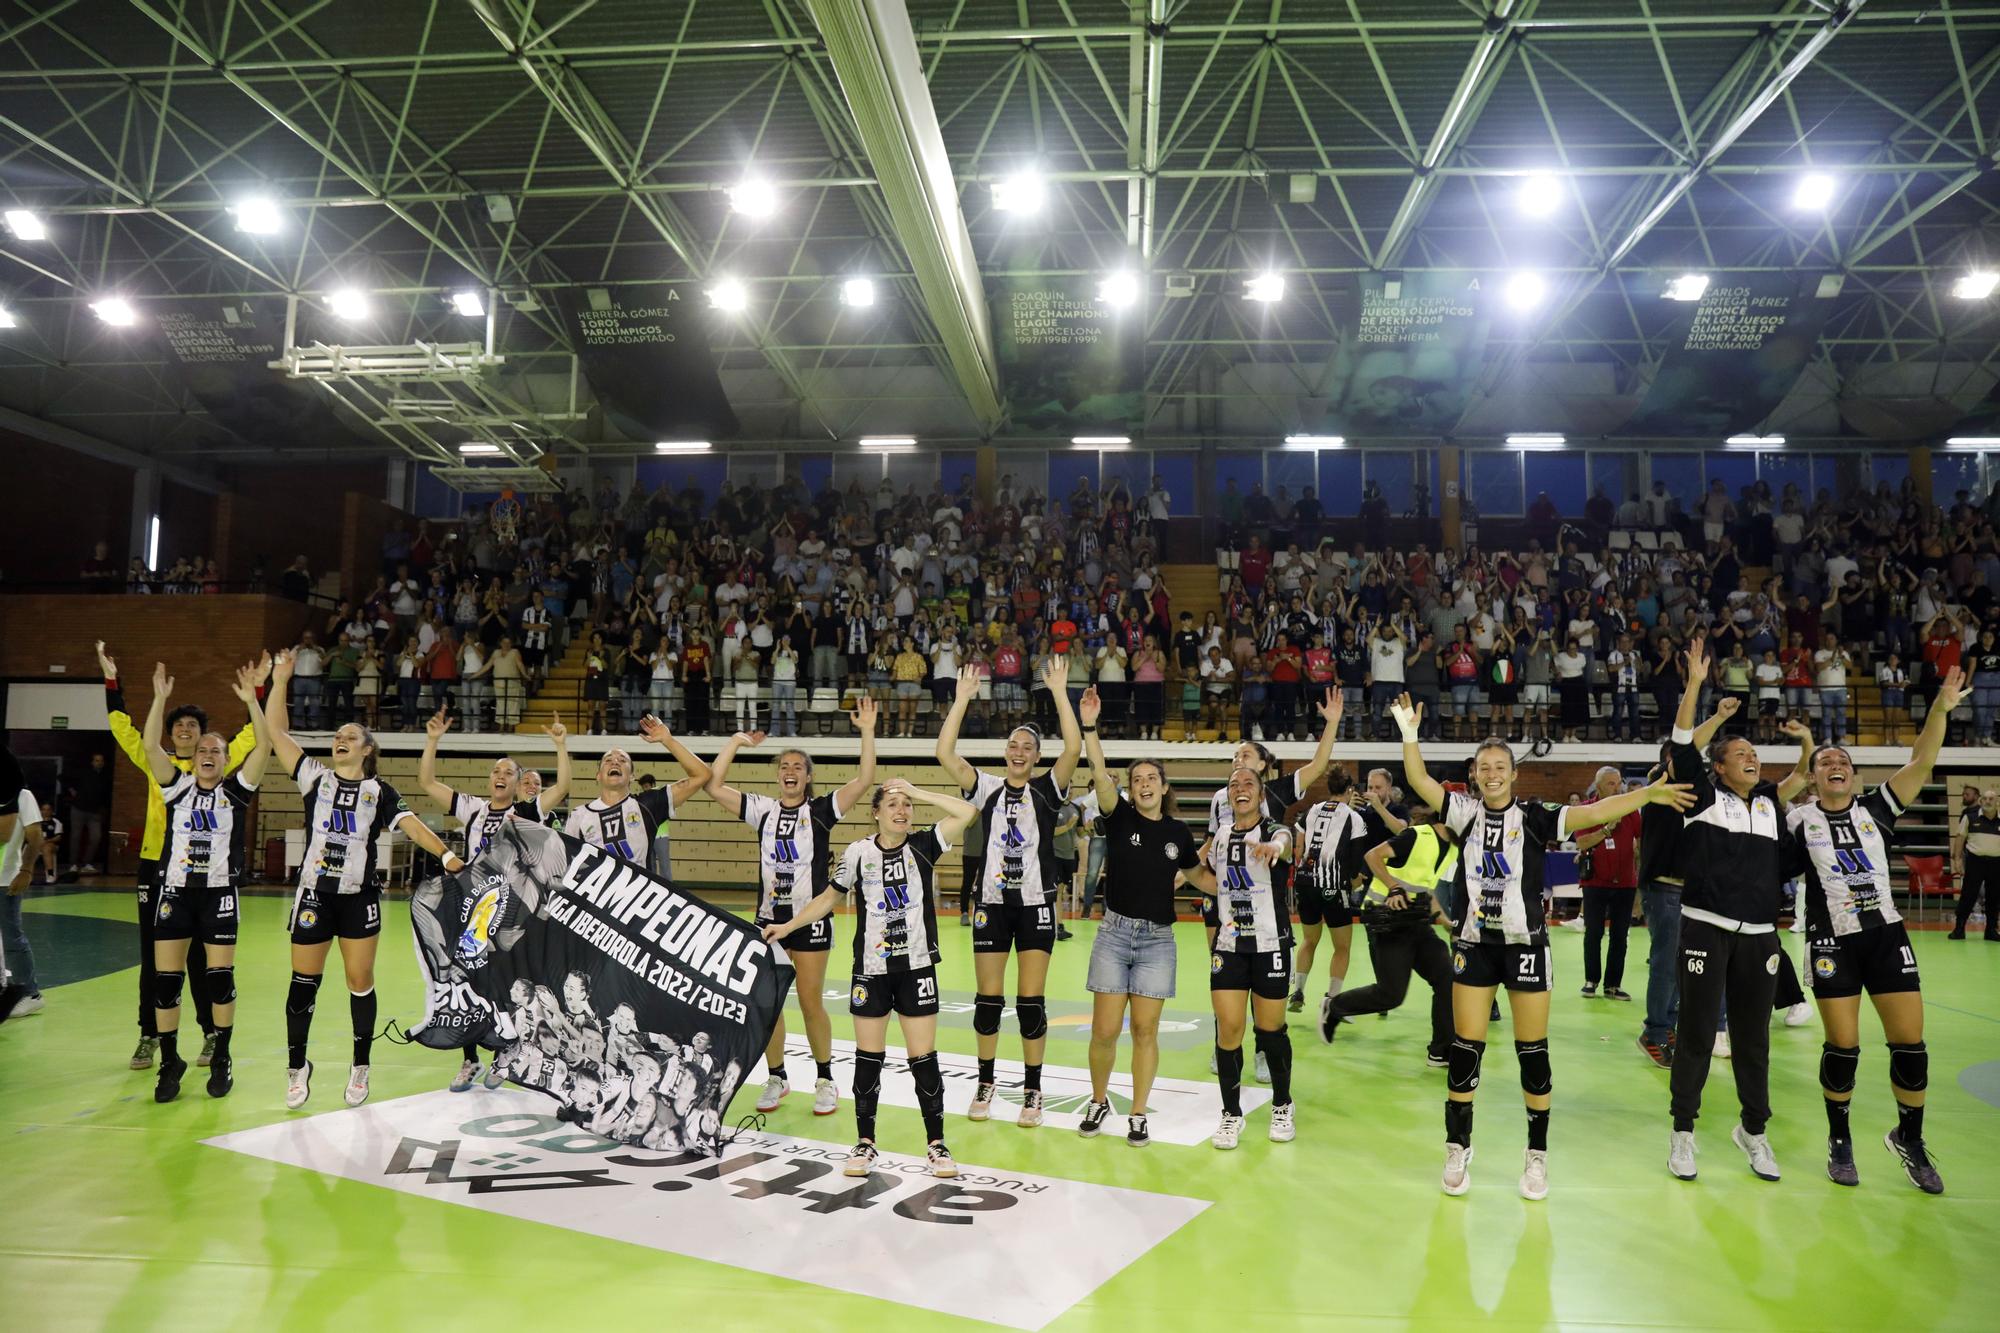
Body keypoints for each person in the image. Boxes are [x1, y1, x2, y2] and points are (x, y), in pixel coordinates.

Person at [1395, 692, 1693, 1200]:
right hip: (1475, 944)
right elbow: (1420, 781)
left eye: (1500, 766)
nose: (1491, 774)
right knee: (1466, 1048)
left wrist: (1646, 795)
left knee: (1532, 1052)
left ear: (1514, 775)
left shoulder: (1535, 816)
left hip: (1526, 946)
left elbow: (1595, 810)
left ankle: (1536, 1156)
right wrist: (1409, 735)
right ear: (1475, 774)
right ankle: (1457, 1145)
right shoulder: (1464, 813)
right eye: (1483, 767)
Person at [1780, 666, 1963, 1193]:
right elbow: (1765, 862)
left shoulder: (1877, 808)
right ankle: (1840, 1140)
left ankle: (1909, 1137)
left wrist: (1939, 709)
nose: (1834, 764)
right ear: (1813, 778)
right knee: (1843, 1045)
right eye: (1824, 762)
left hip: (1886, 935)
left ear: (1854, 776)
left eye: (1842, 761)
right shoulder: (1797, 822)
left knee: (1910, 1044)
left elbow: (1923, 759)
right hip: (1831, 940)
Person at [265, 649, 469, 1111]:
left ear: (366, 749)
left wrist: (448, 855)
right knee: (303, 983)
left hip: (359, 899)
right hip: (316, 894)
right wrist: (280, 681)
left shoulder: (380, 792)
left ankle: (361, 1064)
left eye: (351, 736)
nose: (341, 739)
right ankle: (298, 1067)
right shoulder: (314, 779)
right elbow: (277, 733)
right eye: (338, 735)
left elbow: (413, 824)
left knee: (360, 980)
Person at [765, 778, 978, 1180]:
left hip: (916, 968)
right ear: (876, 812)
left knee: (923, 1059)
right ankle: (865, 1142)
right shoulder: (859, 853)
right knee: (869, 1059)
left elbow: (968, 813)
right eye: (893, 804)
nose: (902, 810)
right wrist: (788, 925)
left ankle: (936, 1144)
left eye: (906, 805)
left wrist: (920, 792)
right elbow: (828, 898)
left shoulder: (924, 845)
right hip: (872, 970)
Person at [1662, 635, 1795, 1184]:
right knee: (1695, 1034)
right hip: (1706, 930)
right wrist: (1695, 685)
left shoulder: (1767, 807)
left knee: (1753, 1039)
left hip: (1760, 937)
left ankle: (1754, 1132)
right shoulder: (1703, 798)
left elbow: (1802, 778)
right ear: (1717, 767)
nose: (1751, 759)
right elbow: (1681, 742)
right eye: (1740, 755)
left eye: (1753, 755)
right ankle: (1683, 1133)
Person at [706, 699, 878, 1118]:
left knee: (810, 1000)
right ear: (777, 775)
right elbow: (712, 785)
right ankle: (777, 1076)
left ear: (808, 776)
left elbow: (866, 778)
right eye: (784, 765)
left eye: (798, 766)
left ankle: (825, 1079)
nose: (790, 771)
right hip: (767, 921)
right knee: (767, 1003)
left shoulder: (820, 812)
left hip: (811, 922)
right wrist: (735, 741)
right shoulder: (762, 811)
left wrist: (867, 730)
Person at [97, 640, 262, 1072]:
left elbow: (252, 738)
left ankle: (210, 1033)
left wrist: (258, 692)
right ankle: (149, 1034)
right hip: (160, 867)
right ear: (170, 733)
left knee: (204, 959)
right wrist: (113, 681)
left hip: (210, 878)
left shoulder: (216, 767)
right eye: (180, 726)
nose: (187, 731)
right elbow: (125, 729)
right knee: (155, 956)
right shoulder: (159, 764)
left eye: (193, 726)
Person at [934, 657, 1081, 1126]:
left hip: (1036, 906)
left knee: (1031, 1001)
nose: (1018, 751)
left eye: (1027, 747)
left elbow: (1074, 748)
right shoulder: (987, 788)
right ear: (1005, 752)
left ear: (1036, 757)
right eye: (1013, 745)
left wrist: (1059, 691)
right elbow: (944, 753)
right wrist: (960, 700)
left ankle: (1033, 1091)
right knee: (988, 999)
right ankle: (985, 1081)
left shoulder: (1046, 790)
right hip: (992, 907)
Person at [414, 705, 572, 1092]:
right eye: (496, 771)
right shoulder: (472, 809)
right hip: (470, 908)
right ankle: (469, 1060)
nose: (501, 776)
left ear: (519, 784)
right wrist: (432, 740)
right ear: (490, 781)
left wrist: (561, 745)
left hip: (510, 911)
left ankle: (505, 1052)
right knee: (464, 984)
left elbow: (563, 787)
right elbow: (426, 782)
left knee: (505, 985)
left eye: (509, 773)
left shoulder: (525, 812)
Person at [138, 660, 271, 1100]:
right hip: (175, 894)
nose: (209, 755)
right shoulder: (176, 788)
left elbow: (265, 745)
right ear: (192, 759)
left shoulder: (235, 793)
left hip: (218, 896)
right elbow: (149, 745)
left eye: (216, 751)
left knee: (219, 977)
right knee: (166, 981)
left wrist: (252, 701)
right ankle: (171, 1060)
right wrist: (158, 700)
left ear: (227, 759)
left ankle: (222, 1056)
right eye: (202, 752)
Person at [1073, 689, 1199, 1148]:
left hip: (1157, 942)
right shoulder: (1120, 815)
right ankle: (1100, 1099)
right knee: (1105, 1031)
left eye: (1152, 778)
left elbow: (1197, 874)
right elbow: (1100, 778)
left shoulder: (1177, 833)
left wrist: (1233, 883)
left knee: (1146, 1031)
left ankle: (1139, 1112)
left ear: (1164, 787)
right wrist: (1090, 727)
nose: (1145, 783)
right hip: (1114, 935)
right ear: (1130, 788)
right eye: (1137, 778)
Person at [1182, 766, 1297, 1149]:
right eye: (1233, 785)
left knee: (1270, 1030)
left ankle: (1283, 1103)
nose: (1240, 789)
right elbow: (1213, 884)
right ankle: (1231, 1114)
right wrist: (1183, 868)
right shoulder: (1220, 839)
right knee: (1228, 1030)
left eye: (1248, 783)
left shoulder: (1274, 830)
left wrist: (1274, 850)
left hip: (1270, 946)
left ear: (1260, 793)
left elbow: (1285, 841)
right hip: (1230, 946)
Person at [1636, 698, 1744, 1069]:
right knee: (1667, 965)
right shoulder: (1658, 783)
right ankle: (1654, 1031)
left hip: (1685, 890)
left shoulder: (1699, 792)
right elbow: (1686, 745)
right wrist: (1717, 717)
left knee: (1680, 965)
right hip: (1665, 886)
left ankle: (1665, 1027)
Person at [1319, 802, 1459, 1067]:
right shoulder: (1417, 835)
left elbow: (1425, 888)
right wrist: (1393, 887)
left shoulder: (1452, 848)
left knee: (1447, 977)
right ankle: (1335, 1007)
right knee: (1391, 995)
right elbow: (1372, 856)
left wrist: (1446, 922)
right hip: (1387, 919)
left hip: (1416, 921)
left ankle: (1441, 1050)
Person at [563, 716, 711, 866]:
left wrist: (668, 740)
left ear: (632, 776)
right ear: (598, 776)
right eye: (608, 760)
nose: (615, 761)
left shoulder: (648, 804)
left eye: (622, 760)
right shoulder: (578, 816)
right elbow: (567, 864)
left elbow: (702, 774)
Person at [1290, 767, 1366, 1020]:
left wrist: (1300, 851)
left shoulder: (1314, 809)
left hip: (1305, 881)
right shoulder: (1353, 817)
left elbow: (1299, 829)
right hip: (1332, 886)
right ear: (1350, 791)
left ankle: (1298, 992)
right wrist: (1356, 881)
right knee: (1342, 947)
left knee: (1309, 940)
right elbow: (1355, 862)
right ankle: (1332, 1001)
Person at [1574, 766, 1642, 1001]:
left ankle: (1613, 985)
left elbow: (1640, 845)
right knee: (1593, 933)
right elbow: (1582, 843)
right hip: (1595, 882)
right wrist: (1607, 829)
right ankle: (1591, 980)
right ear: (1599, 786)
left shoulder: (1631, 812)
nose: (1618, 787)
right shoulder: (1586, 810)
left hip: (1625, 883)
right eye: (1611, 783)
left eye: (1619, 783)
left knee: (1620, 936)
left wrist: (1640, 886)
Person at [0, 776, 46, 1017]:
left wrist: (26, 870)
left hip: (5, 878)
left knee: (11, 938)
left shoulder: (21, 795)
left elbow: (35, 835)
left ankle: (31, 994)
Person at [1949, 786, 2000, 940]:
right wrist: (1957, 859)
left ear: (1997, 802)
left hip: (1996, 863)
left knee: (1994, 897)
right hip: (1975, 862)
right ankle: (1959, 929)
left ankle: (1991, 930)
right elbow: (1960, 839)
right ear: (1980, 800)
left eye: (1991, 799)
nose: (1987, 801)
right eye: (1984, 798)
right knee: (1967, 895)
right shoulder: (1969, 817)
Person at [64, 752, 111, 875]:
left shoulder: (106, 776)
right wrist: (72, 791)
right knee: (76, 837)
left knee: (96, 837)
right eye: (96, 760)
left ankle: (87, 863)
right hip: (78, 809)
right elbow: (62, 777)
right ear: (92, 762)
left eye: (101, 760)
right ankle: (73, 864)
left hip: (95, 812)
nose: (99, 762)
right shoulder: (83, 773)